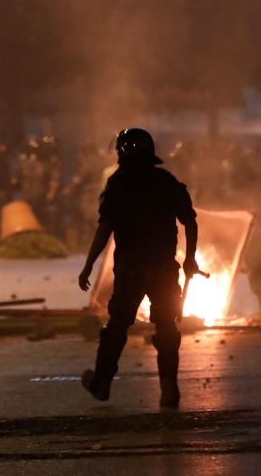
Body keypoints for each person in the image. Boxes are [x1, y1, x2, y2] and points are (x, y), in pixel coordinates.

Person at [78, 128, 198, 407]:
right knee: (166, 325)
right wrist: (190, 258)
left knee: (117, 326)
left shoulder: (118, 184)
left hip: (132, 268)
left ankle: (102, 383)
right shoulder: (166, 181)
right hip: (165, 267)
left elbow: (105, 227)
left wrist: (89, 264)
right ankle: (169, 389)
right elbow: (190, 221)